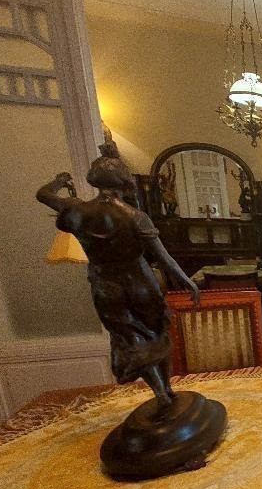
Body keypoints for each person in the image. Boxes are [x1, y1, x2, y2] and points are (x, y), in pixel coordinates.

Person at [37, 142, 199, 411]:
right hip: (141, 283)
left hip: (105, 285)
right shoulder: (135, 216)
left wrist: (58, 182)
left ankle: (161, 392)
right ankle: (166, 391)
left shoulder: (75, 210)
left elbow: (43, 194)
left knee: (131, 340)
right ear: (123, 181)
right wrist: (187, 281)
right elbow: (164, 258)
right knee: (157, 335)